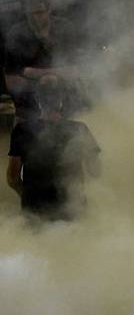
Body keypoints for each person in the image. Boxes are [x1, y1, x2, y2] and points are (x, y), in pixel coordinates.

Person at [6, 74, 100, 221]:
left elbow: (13, 178)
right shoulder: (79, 129)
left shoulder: (21, 130)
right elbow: (95, 172)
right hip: (72, 208)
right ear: (61, 100)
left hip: (35, 210)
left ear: (38, 100)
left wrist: (27, 194)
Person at [5, 0, 83, 121]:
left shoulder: (65, 29)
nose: (35, 18)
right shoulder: (16, 35)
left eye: (40, 13)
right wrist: (41, 85)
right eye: (31, 14)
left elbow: (76, 70)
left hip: (66, 103)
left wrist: (36, 73)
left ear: (49, 9)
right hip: (29, 106)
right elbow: (10, 78)